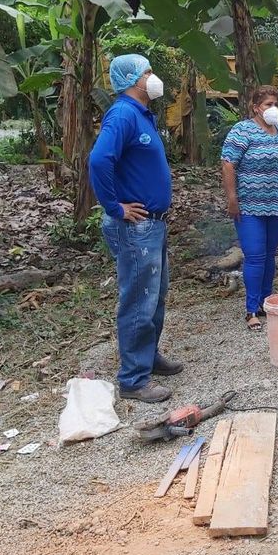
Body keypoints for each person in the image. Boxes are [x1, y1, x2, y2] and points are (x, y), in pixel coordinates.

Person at [89, 54, 182, 404]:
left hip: (152, 224)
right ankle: (132, 379)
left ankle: (148, 356)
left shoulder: (141, 114)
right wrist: (115, 207)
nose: (153, 77)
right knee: (138, 300)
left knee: (154, 296)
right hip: (135, 227)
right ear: (133, 79)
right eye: (147, 72)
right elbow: (99, 160)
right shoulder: (123, 114)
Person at [221, 86, 278, 331]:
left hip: (277, 204)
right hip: (250, 207)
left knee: (269, 255)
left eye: (276, 104)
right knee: (255, 256)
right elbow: (228, 163)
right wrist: (232, 198)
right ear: (256, 107)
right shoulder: (242, 131)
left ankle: (266, 301)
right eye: (268, 104)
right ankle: (251, 309)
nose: (273, 108)